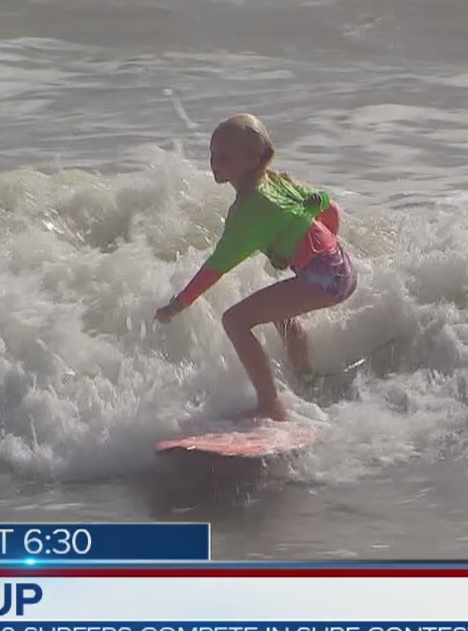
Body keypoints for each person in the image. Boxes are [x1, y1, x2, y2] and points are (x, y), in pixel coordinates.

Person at [153, 114, 357, 422]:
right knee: (279, 313)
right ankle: (305, 377)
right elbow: (327, 207)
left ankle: (270, 406)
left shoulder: (250, 209)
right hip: (341, 269)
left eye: (223, 156)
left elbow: (216, 266)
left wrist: (178, 304)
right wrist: (322, 252)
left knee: (235, 321)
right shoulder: (277, 182)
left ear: (251, 159)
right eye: (212, 154)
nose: (214, 162)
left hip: (326, 277)